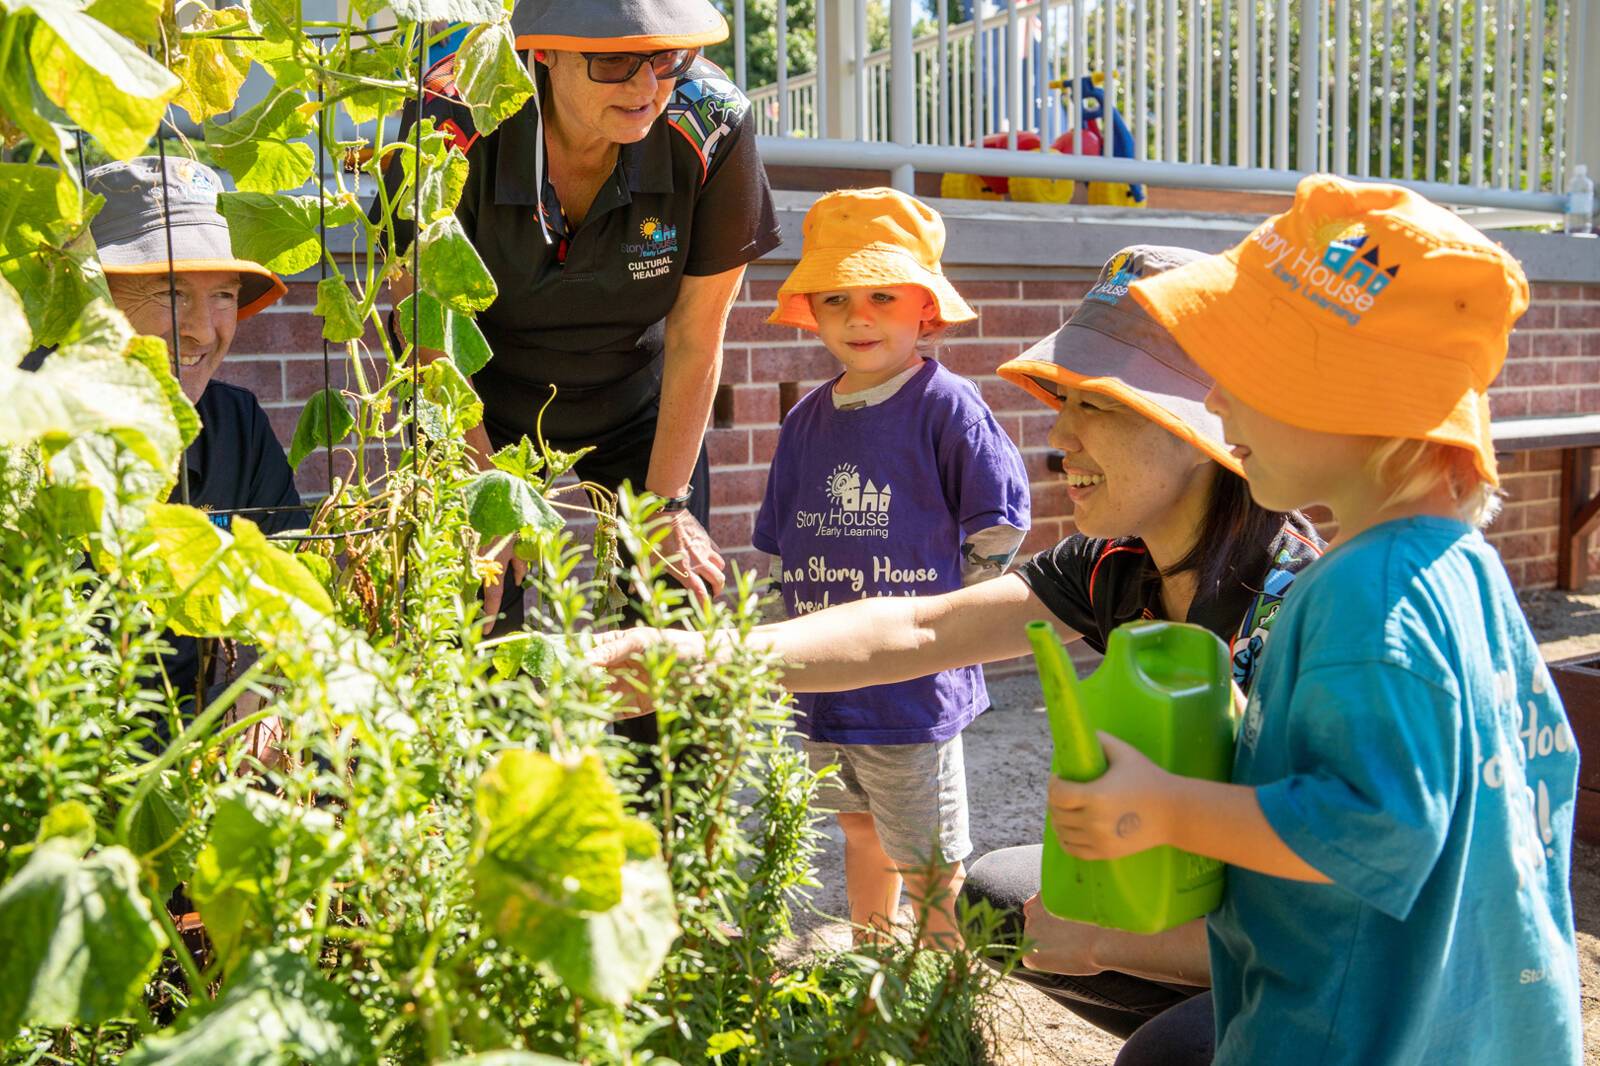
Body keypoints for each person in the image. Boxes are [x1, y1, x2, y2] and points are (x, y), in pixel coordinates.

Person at [591, 246, 1321, 993]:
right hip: (1205, 891)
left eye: (1094, 404)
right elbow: (921, 630)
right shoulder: (1113, 562)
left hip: (1313, 965)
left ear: (1204, 425)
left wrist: (1106, 943)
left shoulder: (1301, 606)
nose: (1059, 440)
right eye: (1061, 402)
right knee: (998, 898)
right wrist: (698, 656)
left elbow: (1333, 901)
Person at [1049, 174, 1581, 1064]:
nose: (1213, 404)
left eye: (1244, 372)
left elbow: (1376, 827)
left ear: (1354, 397)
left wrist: (1165, 809)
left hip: (1351, 1035)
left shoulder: (1361, 592)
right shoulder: (1468, 576)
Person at [385, 0, 780, 614]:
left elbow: (698, 333)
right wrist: (481, 482)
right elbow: (423, 327)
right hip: (479, 398)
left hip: (637, 401)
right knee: (468, 614)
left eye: (665, 58)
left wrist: (667, 506)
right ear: (541, 50)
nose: (647, 86)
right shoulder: (450, 113)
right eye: (615, 59)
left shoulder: (714, 121)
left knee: (669, 612)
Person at [752, 188, 1030, 946]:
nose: (858, 316)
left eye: (881, 294)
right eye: (836, 298)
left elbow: (1000, 525)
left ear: (926, 309)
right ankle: (873, 956)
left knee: (928, 850)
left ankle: (942, 982)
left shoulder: (946, 406)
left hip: (910, 683)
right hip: (827, 678)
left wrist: (955, 628)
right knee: (856, 824)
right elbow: (780, 541)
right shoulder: (806, 419)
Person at [24, 156, 302, 714]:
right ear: (89, 295)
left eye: (223, 295)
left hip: (190, 747)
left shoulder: (237, 424)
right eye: (170, 294)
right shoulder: (22, 418)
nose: (202, 329)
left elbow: (294, 594)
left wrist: (264, 702)